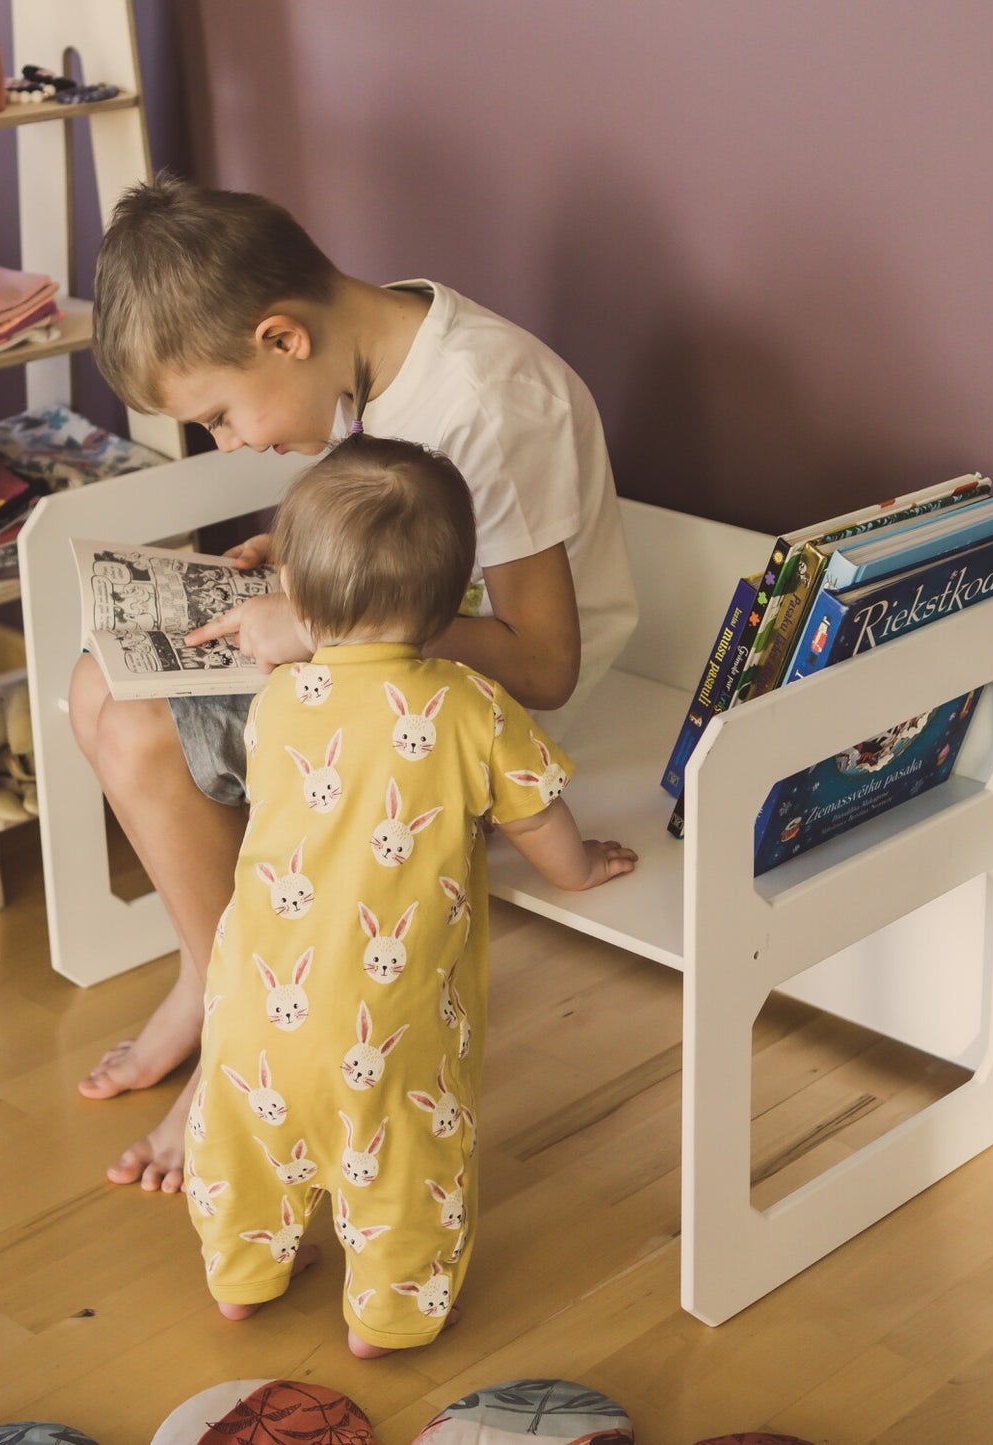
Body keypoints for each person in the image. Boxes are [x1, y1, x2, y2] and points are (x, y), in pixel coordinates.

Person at [72, 176, 636, 1191]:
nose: (229, 442)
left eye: (217, 416)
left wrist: (320, 621)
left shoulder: (482, 400)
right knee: (93, 685)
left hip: (471, 711)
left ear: (281, 337)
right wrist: (309, 560)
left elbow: (545, 664)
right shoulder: (367, 351)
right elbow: (411, 537)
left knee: (139, 729)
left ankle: (240, 1026)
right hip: (390, 657)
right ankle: (212, 970)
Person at [186, 414, 637, 1356]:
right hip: (386, 1019)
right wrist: (583, 865)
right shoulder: (472, 706)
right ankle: (387, 1317)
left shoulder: (275, 700)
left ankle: (242, 1273)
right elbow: (537, 819)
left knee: (247, 1139)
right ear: (448, 606)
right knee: (400, 1159)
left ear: (298, 596)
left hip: (251, 999)